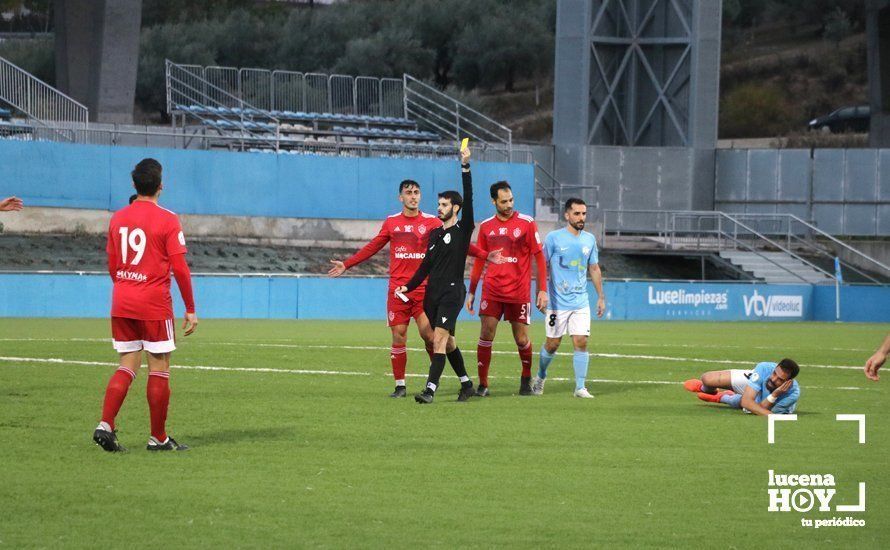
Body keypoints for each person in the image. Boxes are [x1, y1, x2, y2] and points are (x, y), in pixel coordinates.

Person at [93, 158, 198, 452]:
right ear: (160, 186)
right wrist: (190, 308)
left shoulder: (118, 218)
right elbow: (180, 268)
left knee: (127, 364)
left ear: (134, 185)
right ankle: (158, 437)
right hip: (153, 303)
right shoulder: (167, 219)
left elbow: (113, 264)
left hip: (122, 300)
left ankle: (105, 424)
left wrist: (127, 286)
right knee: (159, 366)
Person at [395, 145, 503, 404]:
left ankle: (430, 390)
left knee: (439, 340)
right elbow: (425, 267)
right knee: (450, 342)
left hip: (453, 292)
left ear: (456, 208)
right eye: (439, 204)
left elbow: (469, 195)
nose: (439, 208)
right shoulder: (434, 234)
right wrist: (407, 287)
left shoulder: (463, 229)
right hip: (432, 294)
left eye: (444, 205)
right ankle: (466, 384)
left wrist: (465, 167)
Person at [328, 179, 442, 398]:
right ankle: (400, 386)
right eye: (408, 193)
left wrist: (484, 255)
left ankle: (433, 381)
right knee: (399, 336)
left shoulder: (432, 222)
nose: (413, 196)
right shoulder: (391, 222)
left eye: (416, 192)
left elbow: (454, 241)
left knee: (428, 335)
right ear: (401, 197)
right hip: (398, 291)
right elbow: (373, 246)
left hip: (422, 289)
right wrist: (347, 264)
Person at [466, 180, 547, 396]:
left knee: (521, 338)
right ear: (494, 201)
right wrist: (472, 291)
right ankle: (483, 384)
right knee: (486, 334)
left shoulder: (527, 223)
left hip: (518, 291)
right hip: (492, 290)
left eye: (511, 200)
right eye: (504, 201)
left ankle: (525, 377)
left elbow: (539, 256)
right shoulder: (486, 226)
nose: (509, 204)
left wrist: (542, 289)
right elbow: (480, 260)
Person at [531, 198, 605, 398]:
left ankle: (580, 387)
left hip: (580, 302)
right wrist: (542, 291)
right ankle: (540, 375)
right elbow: (541, 265)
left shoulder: (589, 240)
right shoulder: (554, 238)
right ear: (567, 215)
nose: (581, 218)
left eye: (584, 214)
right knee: (552, 344)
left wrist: (600, 297)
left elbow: (594, 268)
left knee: (581, 341)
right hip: (557, 303)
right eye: (577, 214)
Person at [683, 359, 801, 415]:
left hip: (768, 402)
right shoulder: (765, 368)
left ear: (789, 382)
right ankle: (707, 390)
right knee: (707, 379)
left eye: (780, 379)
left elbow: (760, 409)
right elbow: (747, 401)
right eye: (775, 373)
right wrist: (749, 403)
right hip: (756, 385)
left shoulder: (792, 395)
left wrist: (775, 394)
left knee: (745, 404)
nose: (773, 379)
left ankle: (723, 397)